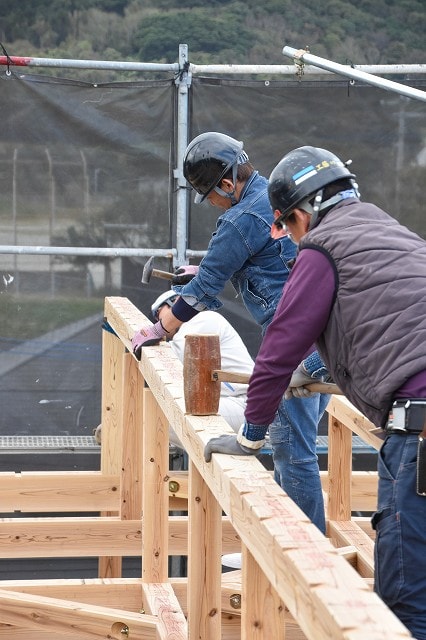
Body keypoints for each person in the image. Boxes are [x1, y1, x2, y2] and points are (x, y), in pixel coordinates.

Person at [204, 145, 426, 639]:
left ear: (303, 214)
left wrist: (250, 436)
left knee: (407, 609)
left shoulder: (323, 247)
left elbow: (280, 347)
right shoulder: (395, 234)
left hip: (419, 430)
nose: (287, 238)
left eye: (285, 227)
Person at [132, 132, 330, 533]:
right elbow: (264, 260)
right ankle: (291, 540)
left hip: (294, 343)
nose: (212, 205)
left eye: (210, 196)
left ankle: (305, 554)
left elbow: (203, 291)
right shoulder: (271, 197)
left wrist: (160, 329)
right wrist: (209, 271)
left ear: (226, 183)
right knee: (294, 451)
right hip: (321, 339)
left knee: (294, 456)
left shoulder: (240, 220)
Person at [151, 289, 254, 435]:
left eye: (157, 314)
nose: (157, 323)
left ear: (175, 302)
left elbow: (174, 357)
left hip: (245, 404)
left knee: (161, 417)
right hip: (231, 403)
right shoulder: (193, 326)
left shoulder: (203, 319)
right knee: (160, 414)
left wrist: (143, 342)